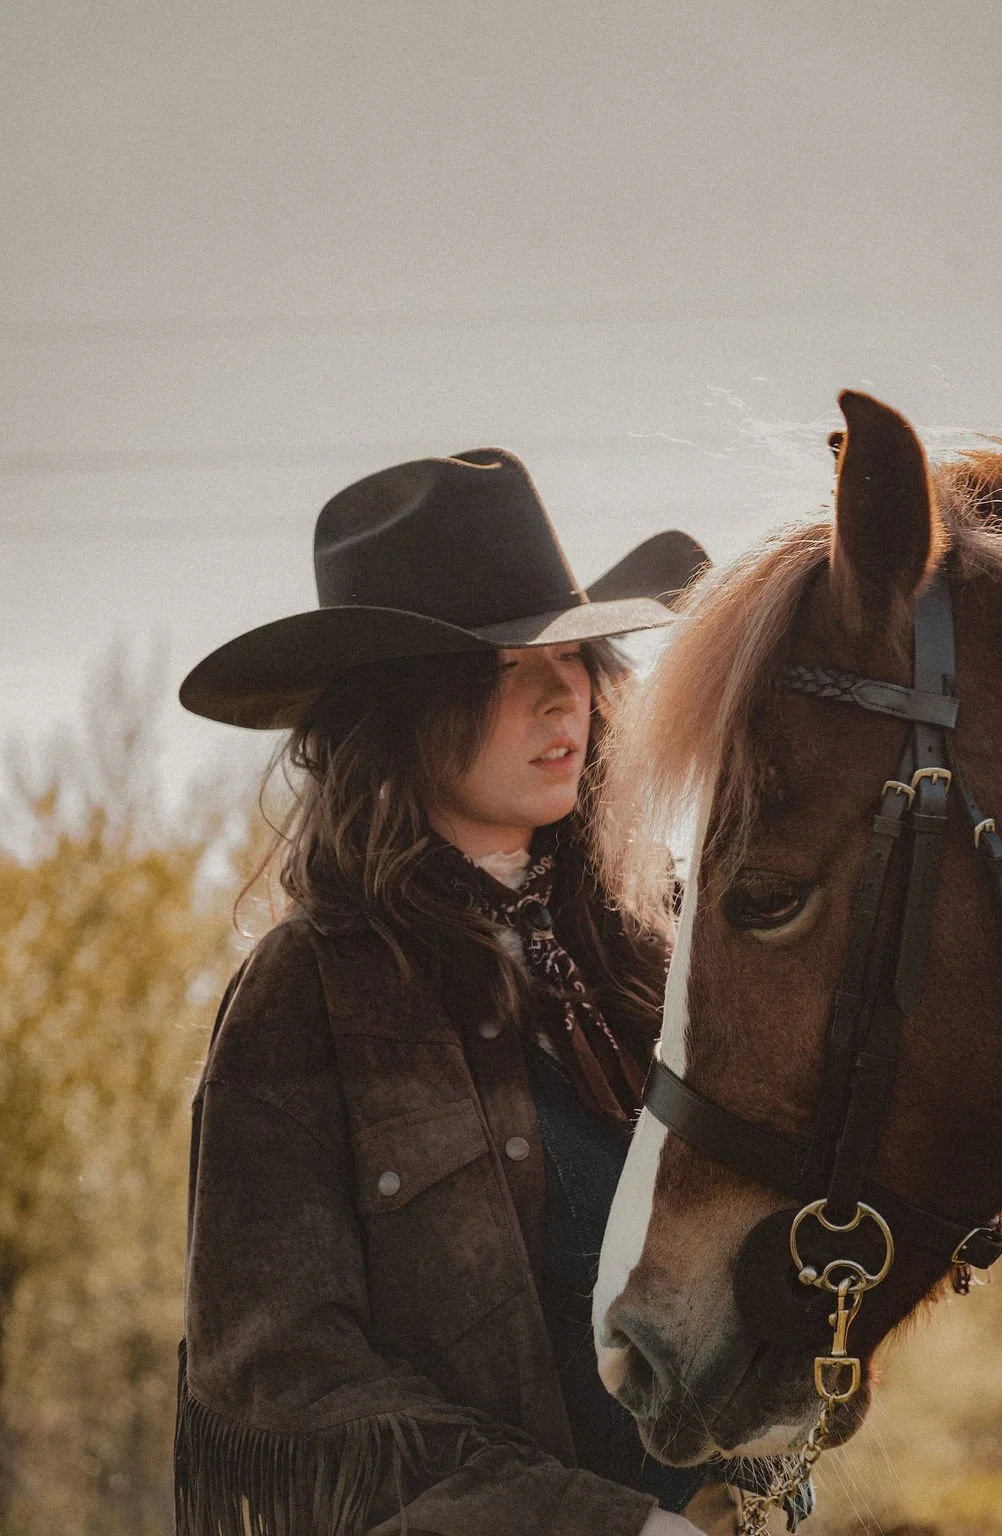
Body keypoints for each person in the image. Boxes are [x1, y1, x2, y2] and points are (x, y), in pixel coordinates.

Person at [173, 447, 730, 1535]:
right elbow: (278, 1374)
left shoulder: (660, 950)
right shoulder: (312, 991)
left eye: (572, 653)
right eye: (498, 664)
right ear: (395, 711)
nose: (560, 688)